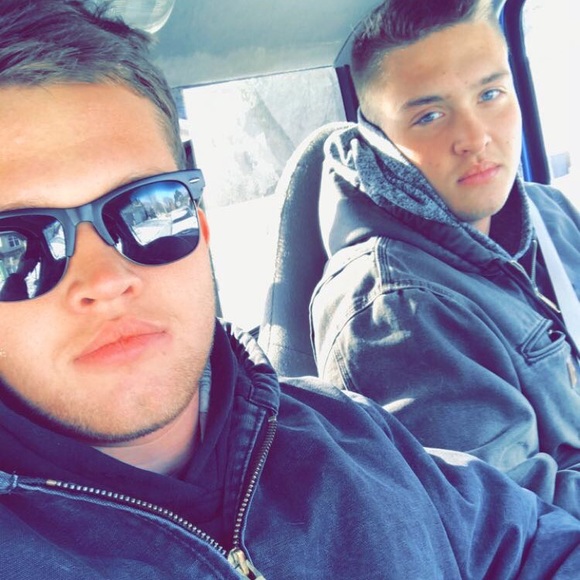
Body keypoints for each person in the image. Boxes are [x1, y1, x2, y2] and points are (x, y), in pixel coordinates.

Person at [0, 1, 579, 578]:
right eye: (14, 247)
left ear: (200, 225)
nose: (106, 281)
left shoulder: (356, 435)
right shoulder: (392, 305)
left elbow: (538, 546)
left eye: (148, 210)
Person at [310, 0, 580, 519]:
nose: (476, 138)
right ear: (378, 138)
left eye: (490, 94)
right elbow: (517, 528)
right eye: (429, 116)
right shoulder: (393, 309)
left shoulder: (550, 214)